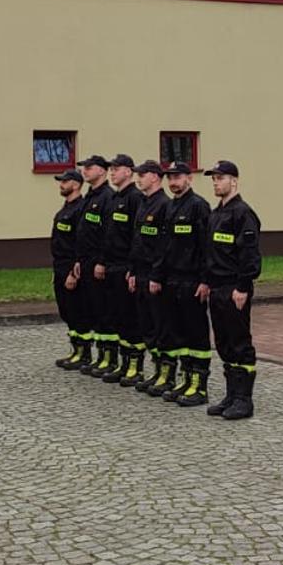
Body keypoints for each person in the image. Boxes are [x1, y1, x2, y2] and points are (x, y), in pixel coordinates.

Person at [200, 160, 261, 421]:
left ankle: (244, 400)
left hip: (234, 287)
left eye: (220, 178)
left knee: (239, 342)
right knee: (223, 342)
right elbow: (210, 253)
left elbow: (249, 255)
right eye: (213, 179)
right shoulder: (216, 214)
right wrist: (205, 281)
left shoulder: (243, 213)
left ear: (234, 181)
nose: (216, 183)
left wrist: (243, 286)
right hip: (216, 288)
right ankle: (230, 395)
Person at [149, 161, 213, 405]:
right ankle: (185, 380)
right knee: (178, 335)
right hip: (171, 280)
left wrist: (205, 281)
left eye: (177, 177)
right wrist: (158, 276)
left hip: (192, 281)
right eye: (170, 178)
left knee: (196, 335)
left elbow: (207, 248)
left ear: (189, 179)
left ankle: (200, 386)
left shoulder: (199, 207)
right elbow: (163, 247)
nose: (173, 182)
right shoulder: (170, 207)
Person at [97, 155, 145, 384]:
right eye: (111, 169)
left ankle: (135, 365)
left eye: (116, 169)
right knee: (117, 316)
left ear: (128, 172)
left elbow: (137, 237)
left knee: (131, 317)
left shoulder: (135, 198)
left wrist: (133, 268)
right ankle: (124, 363)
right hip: (112, 265)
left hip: (126, 265)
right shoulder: (114, 198)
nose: (112, 173)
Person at [126, 161, 171, 393]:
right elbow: (137, 242)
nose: (138, 179)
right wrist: (133, 271)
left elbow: (163, 247)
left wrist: (156, 274)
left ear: (154, 177)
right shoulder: (144, 204)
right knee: (147, 326)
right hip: (140, 273)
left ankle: (167, 374)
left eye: (142, 175)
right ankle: (156, 370)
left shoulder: (164, 205)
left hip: (154, 275)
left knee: (159, 325)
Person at [69, 155, 114, 374]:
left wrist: (101, 261)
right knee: (93, 310)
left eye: (89, 167)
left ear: (102, 171)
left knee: (104, 310)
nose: (85, 171)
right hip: (85, 261)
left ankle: (109, 358)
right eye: (84, 168)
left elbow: (108, 234)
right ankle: (99, 355)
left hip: (98, 262)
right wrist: (78, 259)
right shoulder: (90, 196)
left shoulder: (107, 197)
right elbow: (83, 232)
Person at [50, 168, 92, 370]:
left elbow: (80, 242)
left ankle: (84, 353)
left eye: (64, 181)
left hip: (70, 268)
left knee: (77, 311)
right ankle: (75, 349)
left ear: (76, 184)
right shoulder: (65, 207)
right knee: (66, 311)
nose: (61, 185)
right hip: (59, 266)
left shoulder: (80, 208)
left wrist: (72, 272)